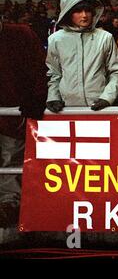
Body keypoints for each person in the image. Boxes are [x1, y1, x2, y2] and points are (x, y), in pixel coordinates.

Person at [46, 0, 118, 112]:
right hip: (66, 109)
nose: (84, 15)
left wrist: (107, 98)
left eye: (87, 10)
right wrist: (53, 97)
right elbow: (54, 74)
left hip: (101, 108)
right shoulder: (55, 39)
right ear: (68, 13)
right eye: (78, 11)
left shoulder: (105, 37)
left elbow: (117, 73)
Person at [0, 20, 48, 227]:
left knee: (10, 159)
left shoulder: (22, 34)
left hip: (13, 113)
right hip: (10, 112)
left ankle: (9, 205)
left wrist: (36, 97)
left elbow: (39, 68)